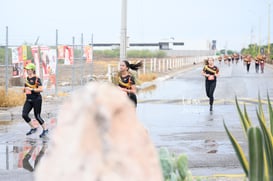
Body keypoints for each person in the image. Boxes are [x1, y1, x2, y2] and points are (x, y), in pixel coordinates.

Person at [22, 63, 48, 138]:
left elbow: (41, 89)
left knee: (37, 116)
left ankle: (45, 130)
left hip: (37, 99)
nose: (27, 70)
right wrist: (24, 90)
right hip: (28, 99)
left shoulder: (37, 79)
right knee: (24, 115)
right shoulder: (27, 78)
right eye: (26, 69)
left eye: (28, 69)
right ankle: (33, 128)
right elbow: (26, 89)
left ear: (32, 70)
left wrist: (32, 89)